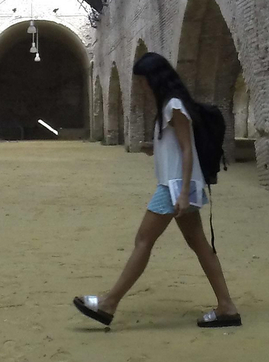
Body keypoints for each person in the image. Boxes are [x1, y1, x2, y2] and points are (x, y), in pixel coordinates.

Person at [73, 51, 241, 329]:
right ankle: (227, 307)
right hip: (178, 185)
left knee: (143, 240)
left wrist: (184, 192)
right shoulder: (170, 104)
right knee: (199, 245)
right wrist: (157, 149)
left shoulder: (173, 105)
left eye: (143, 81)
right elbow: (178, 146)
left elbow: (188, 150)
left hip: (175, 187)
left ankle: (108, 304)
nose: (141, 86)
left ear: (155, 79)